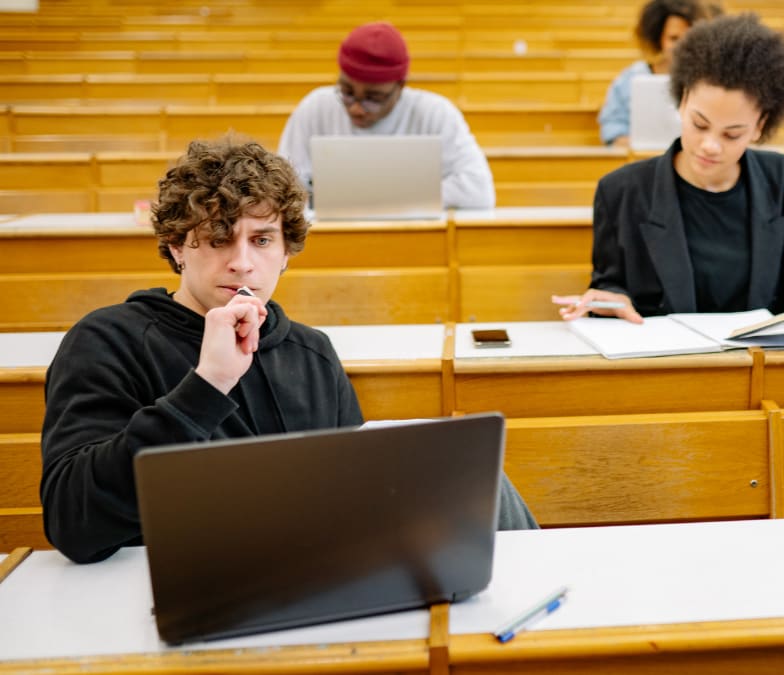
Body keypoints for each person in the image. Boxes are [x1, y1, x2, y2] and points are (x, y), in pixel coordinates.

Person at [40, 139, 535, 565]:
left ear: (286, 251)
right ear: (176, 246)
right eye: (217, 239)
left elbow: (346, 505)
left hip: (304, 581)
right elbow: (73, 524)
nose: (242, 263)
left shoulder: (312, 353)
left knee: (480, 479)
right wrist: (206, 386)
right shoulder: (107, 341)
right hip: (169, 590)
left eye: (261, 240)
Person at [559, 14, 784, 323]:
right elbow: (611, 286)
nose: (710, 146)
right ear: (683, 100)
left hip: (764, 365)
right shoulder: (621, 191)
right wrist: (609, 303)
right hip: (665, 369)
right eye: (699, 124)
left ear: (760, 125)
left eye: (733, 134)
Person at [278, 21, 495, 209]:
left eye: (373, 98)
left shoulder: (436, 113)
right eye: (347, 92)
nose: (357, 108)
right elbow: (281, 189)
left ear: (400, 87)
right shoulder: (315, 107)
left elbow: (479, 189)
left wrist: (380, 198)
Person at [597, 0, 721, 147]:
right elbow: (613, 129)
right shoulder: (629, 79)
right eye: (674, 38)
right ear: (658, 39)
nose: (682, 46)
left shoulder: (711, 79)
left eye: (689, 38)